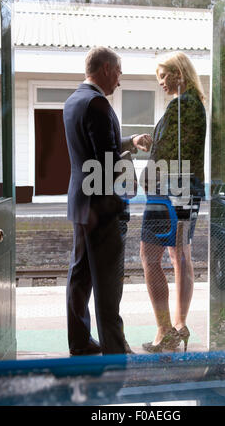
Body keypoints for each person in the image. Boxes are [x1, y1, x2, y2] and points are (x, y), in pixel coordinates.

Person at [63, 46, 152, 355]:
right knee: (109, 284)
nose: (120, 79)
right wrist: (129, 159)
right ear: (104, 69)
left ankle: (79, 341)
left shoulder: (74, 101)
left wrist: (128, 140)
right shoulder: (99, 104)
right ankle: (116, 350)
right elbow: (109, 163)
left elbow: (93, 146)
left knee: (80, 276)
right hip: (103, 208)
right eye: (118, 72)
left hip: (81, 204)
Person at [140, 51, 206, 353]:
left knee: (150, 258)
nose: (162, 82)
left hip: (168, 190)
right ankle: (180, 325)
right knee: (181, 257)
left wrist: (147, 174)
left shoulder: (180, 105)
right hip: (187, 189)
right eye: (159, 77)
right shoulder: (196, 105)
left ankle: (165, 329)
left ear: (180, 72)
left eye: (165, 75)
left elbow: (164, 154)